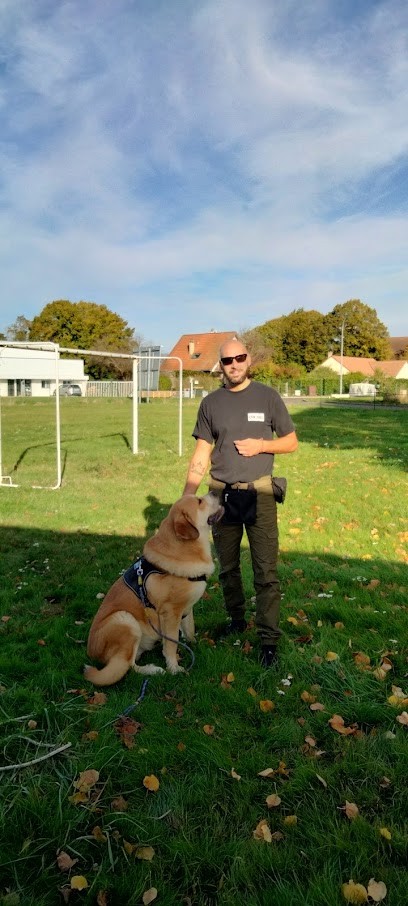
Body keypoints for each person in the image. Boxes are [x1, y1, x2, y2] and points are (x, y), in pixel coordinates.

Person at [182, 337, 298, 667]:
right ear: (220, 365)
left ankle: (269, 640)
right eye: (227, 360)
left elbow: (290, 442)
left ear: (249, 360)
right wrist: (187, 497)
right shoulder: (210, 404)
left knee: (265, 570)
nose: (233, 364)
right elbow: (201, 454)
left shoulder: (268, 396)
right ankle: (236, 620)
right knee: (228, 567)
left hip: (259, 493)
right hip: (220, 496)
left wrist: (262, 445)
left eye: (239, 358)